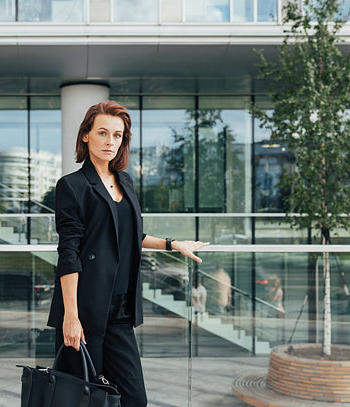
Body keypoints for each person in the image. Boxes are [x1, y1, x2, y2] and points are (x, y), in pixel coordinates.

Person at [47, 101, 209, 406]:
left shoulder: (125, 181)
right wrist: (71, 315)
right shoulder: (72, 186)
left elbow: (131, 235)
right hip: (85, 309)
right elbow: (69, 252)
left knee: (135, 398)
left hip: (120, 310)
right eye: (103, 133)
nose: (110, 141)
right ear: (86, 135)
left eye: (117, 135)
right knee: (84, 398)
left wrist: (174, 244)